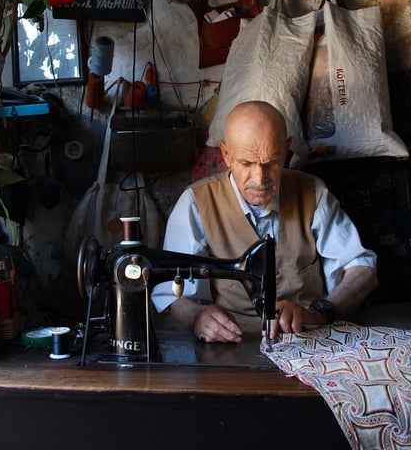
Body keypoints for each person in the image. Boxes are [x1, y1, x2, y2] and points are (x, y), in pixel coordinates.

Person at [151, 100, 378, 343]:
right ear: (226, 155)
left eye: (271, 163)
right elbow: (170, 291)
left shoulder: (313, 193)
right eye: (246, 164)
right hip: (234, 345)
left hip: (310, 337)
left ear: (287, 149)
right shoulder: (196, 203)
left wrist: (320, 312)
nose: (260, 179)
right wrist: (196, 317)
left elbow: (362, 267)